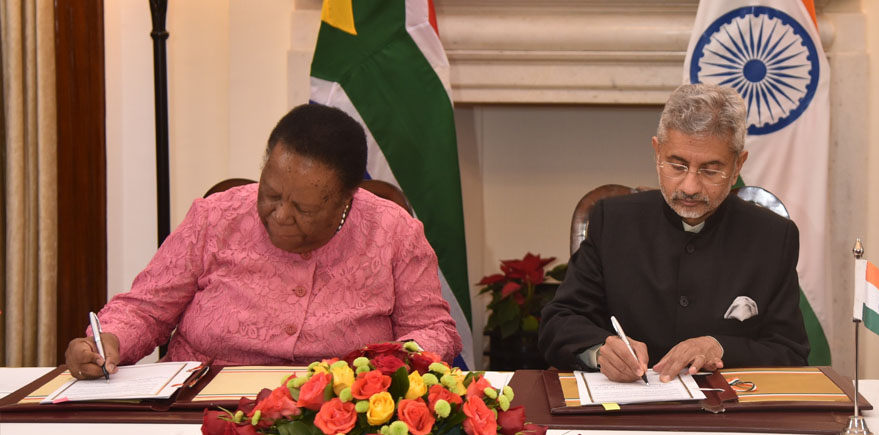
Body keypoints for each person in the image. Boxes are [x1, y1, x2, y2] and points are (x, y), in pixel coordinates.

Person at [66, 104, 462, 379]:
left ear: (347, 198)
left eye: (304, 209)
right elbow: (146, 310)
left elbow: (434, 330)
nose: (281, 215)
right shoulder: (214, 217)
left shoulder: (394, 233)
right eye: (271, 194)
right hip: (199, 408)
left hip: (330, 416)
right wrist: (110, 340)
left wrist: (384, 369)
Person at [538, 84, 809, 383]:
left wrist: (720, 347)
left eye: (710, 170)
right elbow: (558, 322)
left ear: (737, 166)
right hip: (628, 409)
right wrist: (600, 350)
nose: (690, 187)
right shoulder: (613, 221)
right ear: (657, 152)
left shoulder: (772, 236)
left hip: (726, 415)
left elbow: (790, 352)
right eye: (677, 165)